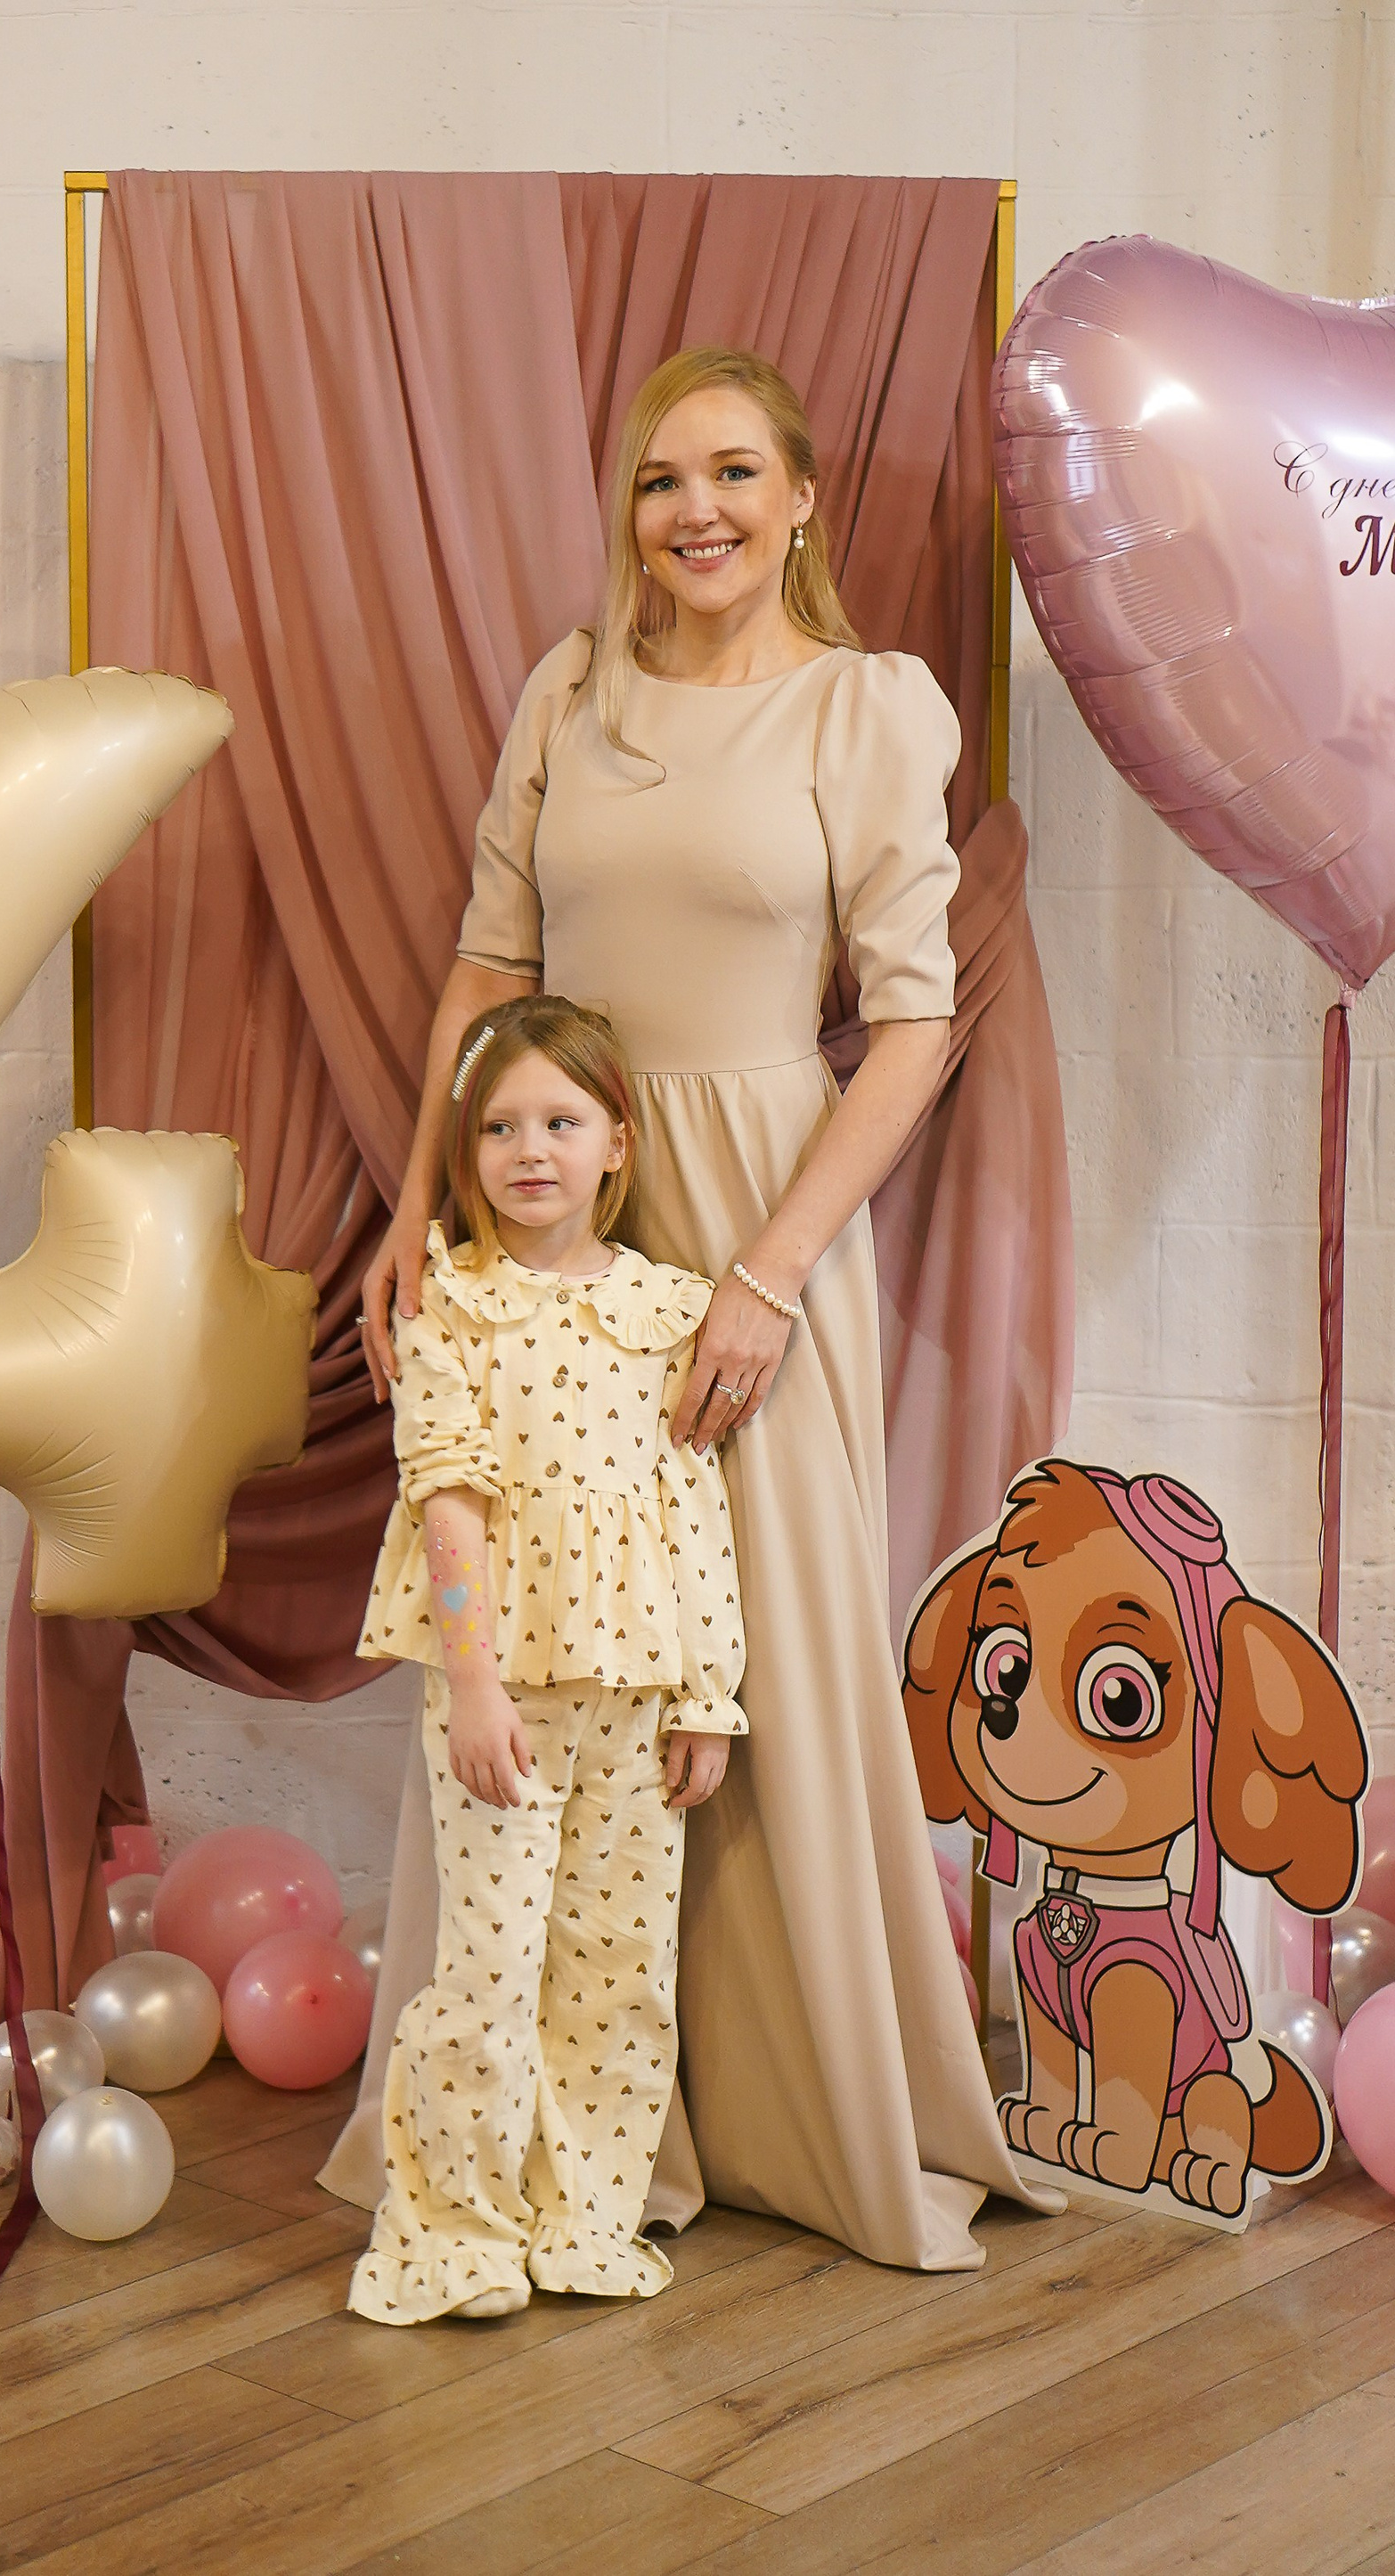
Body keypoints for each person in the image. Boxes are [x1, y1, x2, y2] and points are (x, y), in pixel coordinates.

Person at [334, 341, 1058, 2273]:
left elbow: (915, 1023)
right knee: (546, 1639)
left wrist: (767, 1275)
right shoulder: (569, 691)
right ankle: (542, 2131)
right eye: (662, 480)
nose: (697, 511)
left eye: (735, 472)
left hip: (757, 1211)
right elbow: (487, 963)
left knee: (770, 1660)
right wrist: (415, 1211)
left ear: (802, 498)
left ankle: (802, 2106)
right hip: (550, 1205)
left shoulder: (864, 708)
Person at [347, 994, 745, 2325]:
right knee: (491, 1966)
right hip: (501, 1694)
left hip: (639, 1689)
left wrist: (709, 1695)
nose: (531, 1151)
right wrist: (471, 1688)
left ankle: (586, 2220)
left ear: (616, 1143)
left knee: (618, 1969)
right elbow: (445, 1501)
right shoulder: (449, 1303)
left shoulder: (670, 1312)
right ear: (467, 1152)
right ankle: (456, 2230)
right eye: (501, 1128)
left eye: (562, 1123)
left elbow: (694, 1512)